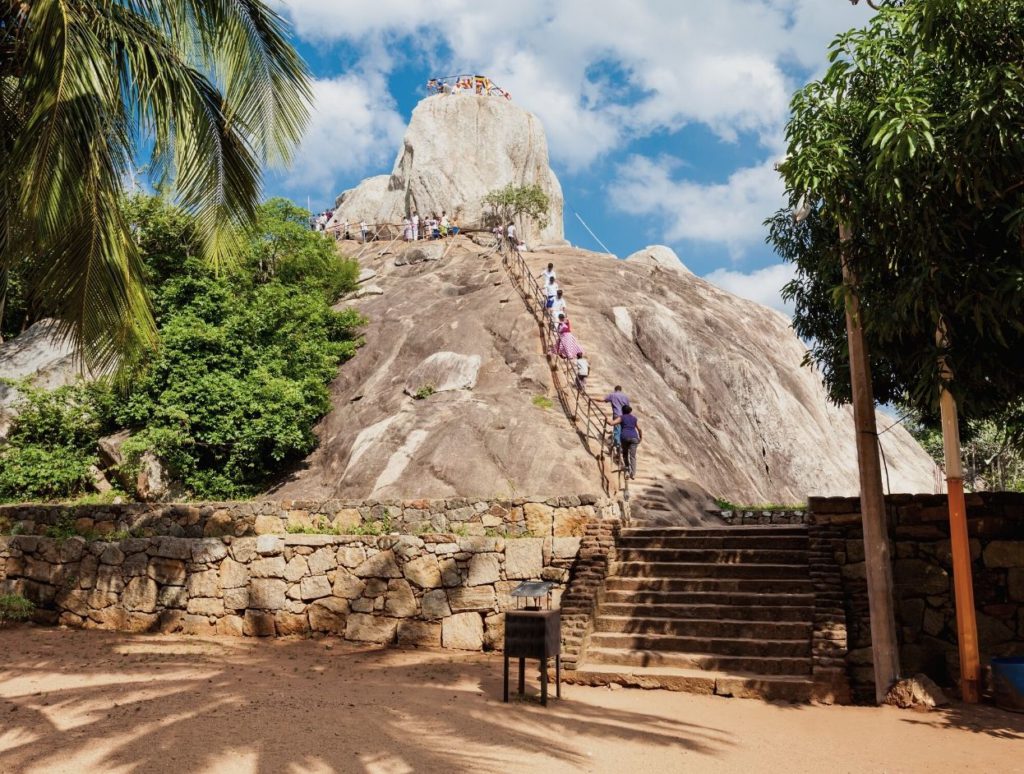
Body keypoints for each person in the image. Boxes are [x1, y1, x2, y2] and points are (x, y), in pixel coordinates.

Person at [612, 405, 642, 479]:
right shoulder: (634, 418)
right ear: (630, 411)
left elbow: (612, 423)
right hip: (634, 437)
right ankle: (633, 473)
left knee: (625, 454)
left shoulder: (622, 417)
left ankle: (627, 469)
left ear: (622, 411)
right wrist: (640, 437)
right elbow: (639, 429)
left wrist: (607, 420)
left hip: (625, 437)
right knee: (633, 456)